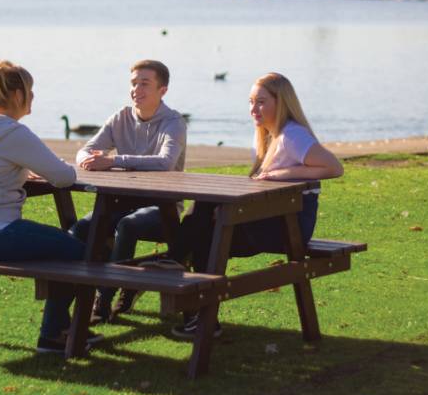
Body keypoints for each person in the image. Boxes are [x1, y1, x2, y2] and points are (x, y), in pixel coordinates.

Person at [169, 72, 344, 339]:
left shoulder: (292, 136)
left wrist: (283, 174)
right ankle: (195, 306)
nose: (253, 109)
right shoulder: (264, 136)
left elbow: (334, 167)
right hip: (270, 217)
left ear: (281, 102)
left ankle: (178, 270)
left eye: (261, 102)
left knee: (205, 233)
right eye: (251, 102)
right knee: (203, 217)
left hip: (289, 226)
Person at [0, 60, 102, 353]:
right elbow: (63, 176)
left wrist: (21, 169)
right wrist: (40, 166)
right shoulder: (12, 133)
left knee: (60, 246)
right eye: (30, 91)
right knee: (78, 252)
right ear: (18, 95)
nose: (33, 97)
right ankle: (55, 334)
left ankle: (62, 327)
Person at [70, 59, 187, 324]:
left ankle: (103, 300)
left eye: (144, 84)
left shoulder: (173, 122)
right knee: (83, 227)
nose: (136, 89)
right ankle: (70, 296)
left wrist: (113, 160)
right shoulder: (120, 117)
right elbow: (85, 150)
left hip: (163, 208)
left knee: (127, 225)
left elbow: (165, 162)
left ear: (162, 90)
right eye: (134, 83)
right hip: (122, 201)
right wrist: (87, 159)